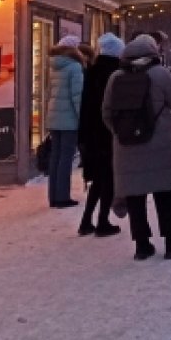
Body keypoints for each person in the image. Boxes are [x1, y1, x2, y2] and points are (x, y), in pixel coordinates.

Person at [103, 33, 171, 260]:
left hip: (127, 146)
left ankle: (142, 245)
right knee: (166, 193)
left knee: (135, 195)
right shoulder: (160, 74)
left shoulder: (116, 77)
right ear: (153, 51)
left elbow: (107, 113)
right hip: (159, 145)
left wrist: (122, 132)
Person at [77, 33, 124, 237]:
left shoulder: (92, 71)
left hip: (90, 133)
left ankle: (86, 220)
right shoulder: (115, 73)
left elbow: (85, 105)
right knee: (108, 178)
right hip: (107, 133)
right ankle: (103, 220)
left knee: (97, 178)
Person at [46, 35, 85, 208]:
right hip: (69, 120)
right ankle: (62, 196)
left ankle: (53, 196)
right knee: (66, 158)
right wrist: (82, 118)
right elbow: (77, 96)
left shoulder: (54, 66)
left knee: (55, 157)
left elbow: (49, 93)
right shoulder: (75, 67)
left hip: (54, 118)